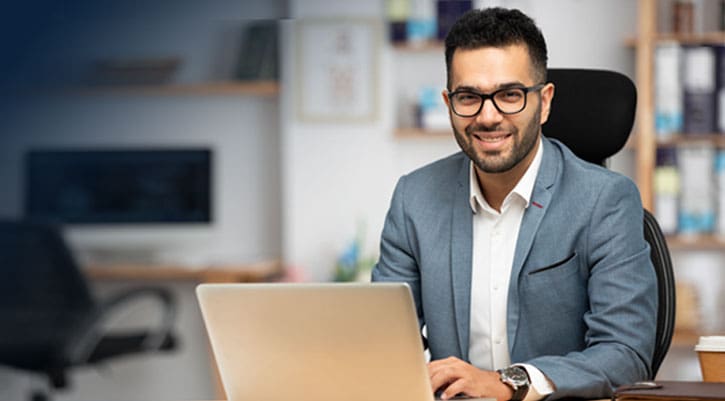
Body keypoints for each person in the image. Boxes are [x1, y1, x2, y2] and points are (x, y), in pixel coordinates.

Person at [371, 7, 657, 401]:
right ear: (449, 102)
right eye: (469, 97)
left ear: (544, 102)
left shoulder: (604, 201)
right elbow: (383, 344)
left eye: (510, 95)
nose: (488, 117)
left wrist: (509, 382)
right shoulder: (414, 198)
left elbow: (626, 354)